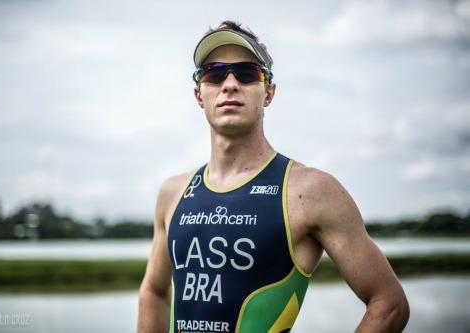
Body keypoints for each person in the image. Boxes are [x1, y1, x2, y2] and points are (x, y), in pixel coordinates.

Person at [138, 20, 409, 333]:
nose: (229, 84)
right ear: (199, 94)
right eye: (214, 73)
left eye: (246, 73)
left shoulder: (309, 190)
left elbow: (389, 303)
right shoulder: (173, 193)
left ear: (268, 92)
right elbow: (154, 292)